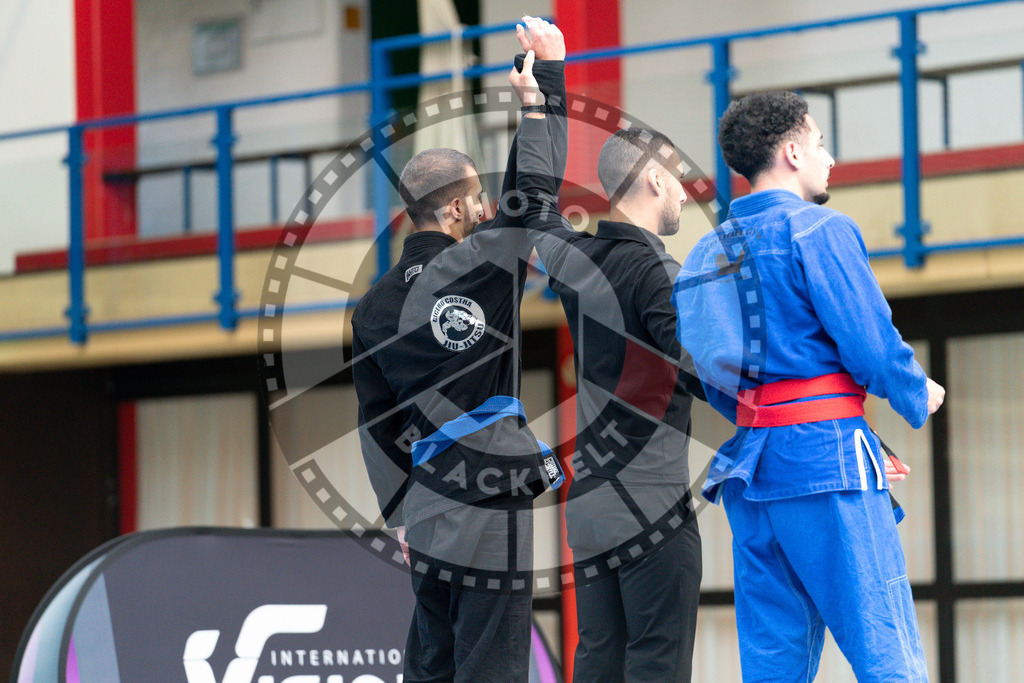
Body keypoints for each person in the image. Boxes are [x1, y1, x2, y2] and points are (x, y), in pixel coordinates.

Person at [673, 90, 945, 682]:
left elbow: (708, 372)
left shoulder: (701, 255)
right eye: (820, 143)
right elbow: (870, 342)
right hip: (828, 459)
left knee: (774, 663)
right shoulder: (820, 229)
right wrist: (914, 389)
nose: (830, 159)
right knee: (885, 648)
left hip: (753, 468)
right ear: (792, 152)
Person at [350, 18, 566, 683]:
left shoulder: (373, 305)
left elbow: (377, 422)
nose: (485, 207)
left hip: (429, 496)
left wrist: (401, 512)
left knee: (435, 659)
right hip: (491, 482)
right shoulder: (483, 265)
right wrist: (544, 89)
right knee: (492, 660)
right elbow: (534, 195)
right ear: (452, 212)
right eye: (476, 199)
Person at [510, 62, 704, 680]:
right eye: (675, 179)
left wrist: (540, 98)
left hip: (590, 506)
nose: (682, 192)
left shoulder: (577, 260)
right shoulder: (660, 274)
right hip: (651, 503)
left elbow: (534, 206)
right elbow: (707, 373)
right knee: (657, 664)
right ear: (652, 177)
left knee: (596, 660)